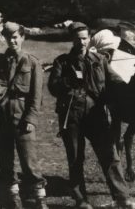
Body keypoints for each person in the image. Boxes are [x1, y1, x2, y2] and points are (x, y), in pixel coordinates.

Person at [48, 22, 135, 209]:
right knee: (76, 157)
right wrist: (67, 82)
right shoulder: (62, 62)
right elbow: (52, 87)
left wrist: (128, 86)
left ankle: (122, 197)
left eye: (85, 38)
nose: (82, 42)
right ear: (72, 40)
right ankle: (81, 200)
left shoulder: (99, 60)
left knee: (110, 155)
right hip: (72, 114)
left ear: (89, 39)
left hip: (96, 113)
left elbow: (114, 81)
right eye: (78, 39)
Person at [0, 22, 48, 209]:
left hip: (21, 114)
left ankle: (40, 199)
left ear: (22, 37)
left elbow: (36, 95)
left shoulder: (32, 62)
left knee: (29, 160)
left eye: (15, 37)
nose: (12, 41)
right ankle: (13, 198)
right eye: (8, 37)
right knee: (4, 158)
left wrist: (31, 119)